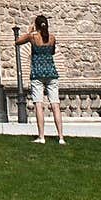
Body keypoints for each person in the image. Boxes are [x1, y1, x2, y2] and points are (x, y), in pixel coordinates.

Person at [16, 14, 65, 144]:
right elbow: (53, 52)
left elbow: (18, 41)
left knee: (39, 105)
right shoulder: (52, 38)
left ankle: (41, 136)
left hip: (37, 73)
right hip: (51, 72)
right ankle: (60, 137)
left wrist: (30, 31)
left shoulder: (33, 37)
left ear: (36, 25)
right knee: (55, 105)